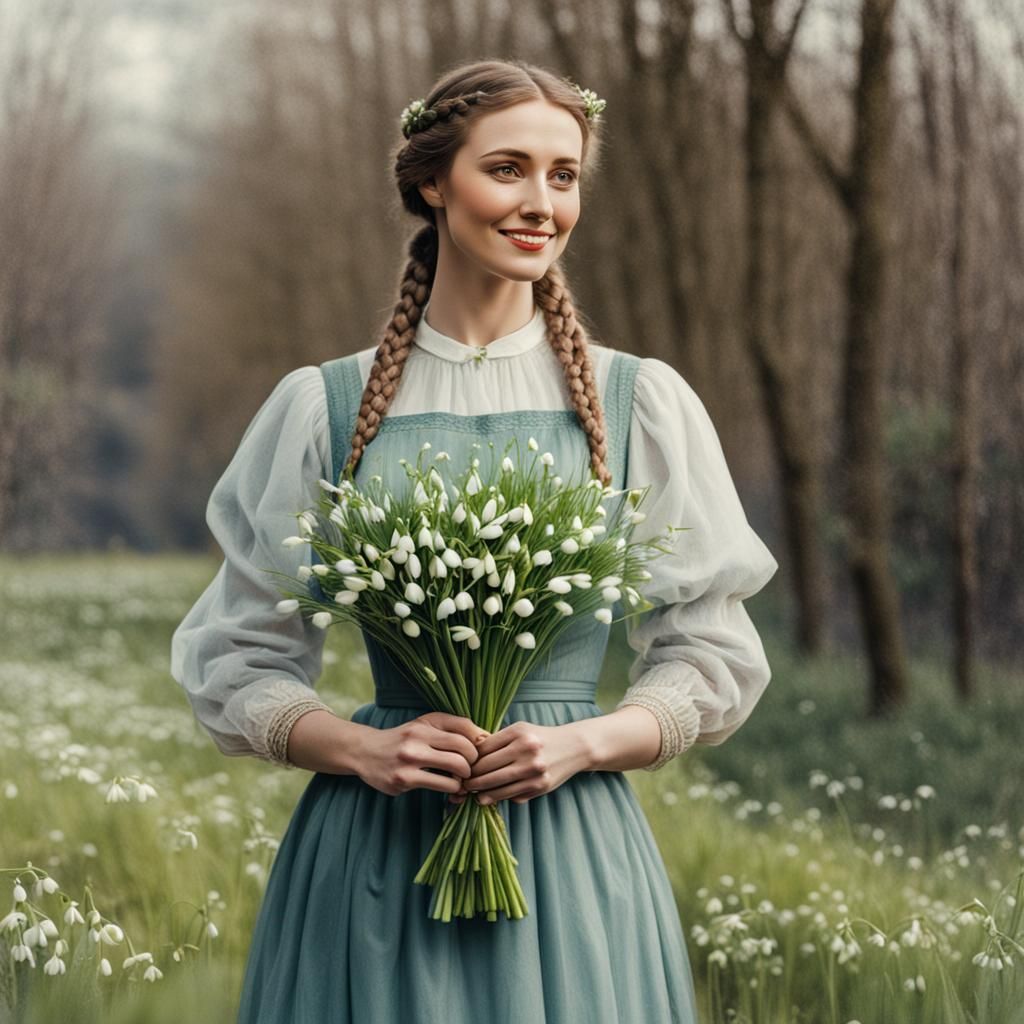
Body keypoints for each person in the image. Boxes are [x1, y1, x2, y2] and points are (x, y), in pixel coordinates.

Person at [170, 57, 779, 1024]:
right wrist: (361, 751)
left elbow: (708, 652)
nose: (542, 202)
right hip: (375, 852)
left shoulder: (638, 405)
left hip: (572, 852)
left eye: (564, 174)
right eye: (509, 169)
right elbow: (239, 657)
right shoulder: (324, 408)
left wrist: (582, 742)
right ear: (431, 183)